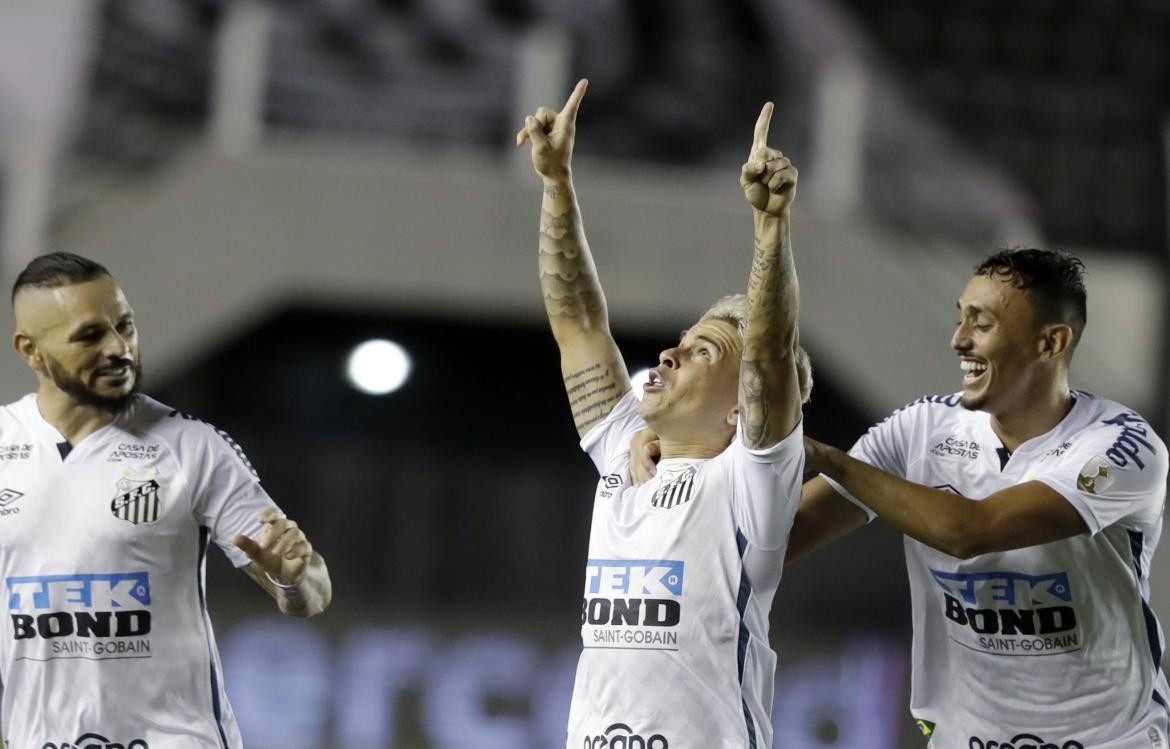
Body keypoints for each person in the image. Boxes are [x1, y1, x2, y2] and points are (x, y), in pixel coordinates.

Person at [634, 248, 1169, 747]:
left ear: (1050, 343)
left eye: (982, 324)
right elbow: (770, 540)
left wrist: (826, 456)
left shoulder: (1121, 446)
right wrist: (690, 449)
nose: (958, 339)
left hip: (1111, 739)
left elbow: (971, 532)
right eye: (960, 317)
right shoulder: (921, 429)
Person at [516, 79, 811, 749]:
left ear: (742, 411)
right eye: (679, 341)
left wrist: (771, 230)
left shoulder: (750, 484)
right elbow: (579, 322)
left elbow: (769, 356)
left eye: (703, 351)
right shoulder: (624, 445)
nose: (671, 352)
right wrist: (557, 184)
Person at [0, 252, 331, 748]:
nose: (118, 348)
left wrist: (292, 582)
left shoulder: (192, 447)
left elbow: (312, 592)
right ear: (30, 351)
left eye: (125, 326)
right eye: (90, 336)